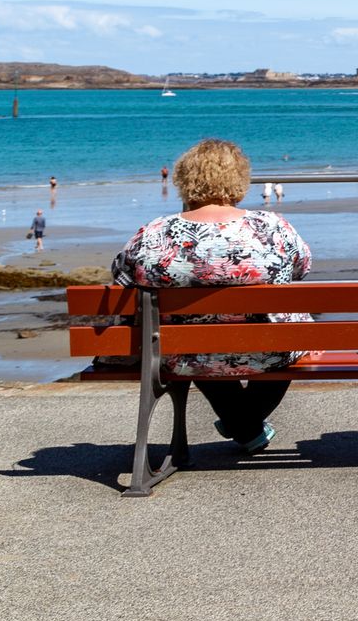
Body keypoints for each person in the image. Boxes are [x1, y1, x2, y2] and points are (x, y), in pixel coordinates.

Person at [110, 138, 312, 455]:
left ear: (184, 181)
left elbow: (121, 274)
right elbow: (301, 267)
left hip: (180, 352)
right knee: (293, 332)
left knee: (198, 337)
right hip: (267, 350)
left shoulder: (155, 231)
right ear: (239, 180)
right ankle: (244, 425)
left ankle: (244, 426)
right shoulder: (270, 226)